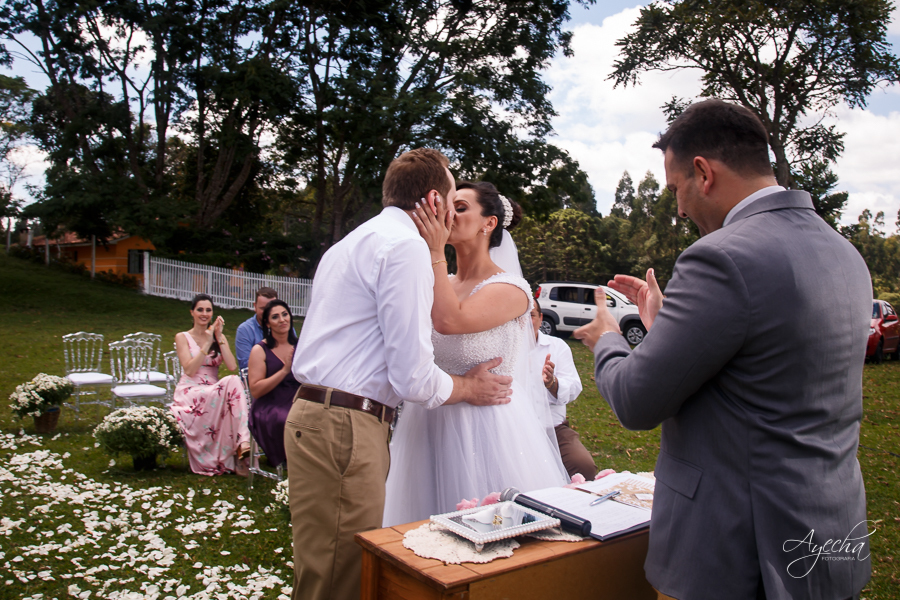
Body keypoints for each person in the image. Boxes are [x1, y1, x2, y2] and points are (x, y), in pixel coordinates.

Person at [574, 99, 871, 600]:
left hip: (740, 550)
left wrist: (606, 335)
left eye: (676, 191)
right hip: (829, 532)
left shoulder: (721, 258)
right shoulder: (843, 252)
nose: (680, 209)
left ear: (703, 172)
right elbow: (765, 363)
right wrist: (667, 326)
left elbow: (636, 401)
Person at [286, 148, 515, 600]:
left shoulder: (353, 240)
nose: (452, 211)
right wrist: (469, 386)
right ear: (434, 200)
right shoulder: (405, 248)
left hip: (321, 415)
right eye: (452, 198)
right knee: (340, 575)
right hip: (345, 427)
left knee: (322, 567)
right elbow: (412, 375)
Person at [384, 181, 569, 525]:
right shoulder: (440, 280)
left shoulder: (512, 288)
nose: (449, 214)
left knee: (488, 534)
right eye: (449, 206)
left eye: (462, 207)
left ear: (489, 223)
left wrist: (435, 250)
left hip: (486, 428)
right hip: (427, 421)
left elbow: (449, 320)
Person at [171, 293, 251, 477]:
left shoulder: (217, 337)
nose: (204, 314)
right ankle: (243, 443)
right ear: (192, 312)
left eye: (208, 310)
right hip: (191, 390)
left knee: (233, 381)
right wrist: (206, 344)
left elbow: (231, 366)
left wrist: (219, 336)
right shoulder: (182, 337)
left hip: (212, 391)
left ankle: (240, 450)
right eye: (200, 310)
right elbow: (190, 370)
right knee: (233, 382)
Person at [529, 304, 596, 479]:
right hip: (516, 429)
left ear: (541, 318)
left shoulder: (557, 347)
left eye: (531, 315)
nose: (526, 321)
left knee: (584, 466)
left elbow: (574, 386)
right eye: (519, 316)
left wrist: (553, 384)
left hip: (554, 427)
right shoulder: (505, 351)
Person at [247, 300, 299, 469]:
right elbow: (255, 390)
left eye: (285, 314)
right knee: (286, 418)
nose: (282, 320)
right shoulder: (260, 350)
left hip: (298, 398)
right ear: (267, 323)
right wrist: (284, 370)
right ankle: (285, 459)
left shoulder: (301, 345)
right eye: (275, 317)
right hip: (270, 403)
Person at [235, 287, 278, 370]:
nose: (267, 312)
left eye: (271, 308)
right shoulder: (245, 330)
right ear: (255, 306)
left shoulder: (285, 327)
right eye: (263, 308)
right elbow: (246, 365)